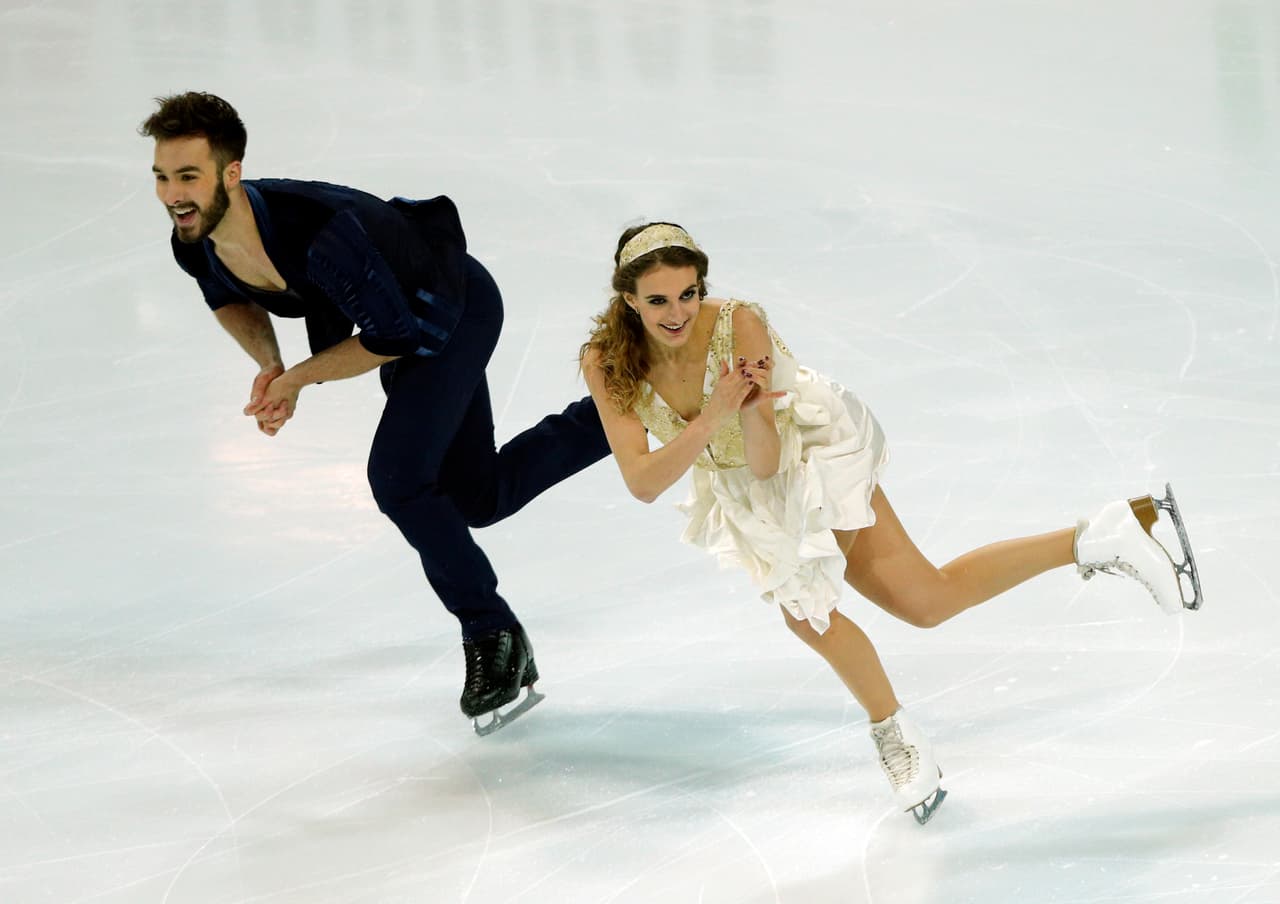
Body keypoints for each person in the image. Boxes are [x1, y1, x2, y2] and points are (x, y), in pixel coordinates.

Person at [579, 221, 1202, 823]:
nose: (677, 313)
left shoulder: (739, 324)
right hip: (744, 487)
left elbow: (767, 461)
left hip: (810, 453)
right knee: (927, 602)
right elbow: (643, 482)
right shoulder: (606, 361)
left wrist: (737, 411)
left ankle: (896, 738)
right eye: (657, 300)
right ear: (628, 299)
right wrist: (716, 414)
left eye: (688, 294)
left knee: (806, 608)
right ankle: (1107, 534)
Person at [141, 92, 611, 734]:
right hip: (399, 323)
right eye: (162, 177)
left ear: (231, 173)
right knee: (476, 496)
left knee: (398, 477)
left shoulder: (319, 234)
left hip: (451, 310)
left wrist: (298, 379)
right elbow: (226, 296)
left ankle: (491, 632)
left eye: (188, 176)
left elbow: (391, 337)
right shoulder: (195, 238)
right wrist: (271, 363)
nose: (173, 195)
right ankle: (623, 411)